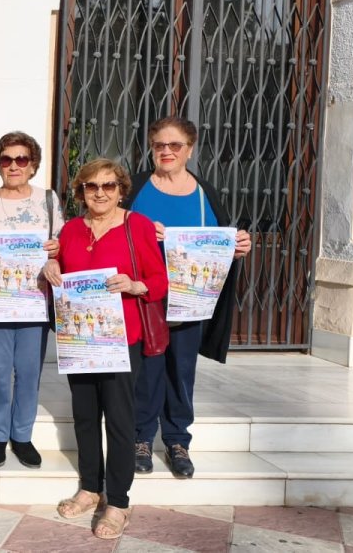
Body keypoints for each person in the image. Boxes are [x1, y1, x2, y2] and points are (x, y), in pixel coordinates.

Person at [43, 158, 168, 540]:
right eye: (91, 186)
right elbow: (62, 269)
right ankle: (89, 487)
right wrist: (50, 264)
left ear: (121, 190)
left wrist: (134, 285)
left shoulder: (137, 226)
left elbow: (160, 281)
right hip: (80, 341)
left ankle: (118, 501)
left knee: (118, 419)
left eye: (109, 186)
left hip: (121, 340)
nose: (100, 193)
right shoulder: (71, 230)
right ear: (80, 192)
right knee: (84, 415)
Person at [125, 116, 252, 479]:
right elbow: (112, 230)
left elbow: (221, 241)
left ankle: (178, 441)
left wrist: (237, 246)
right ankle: (141, 440)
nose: (166, 152)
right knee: (147, 369)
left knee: (181, 369)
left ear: (189, 150)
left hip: (190, 298)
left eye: (174, 146)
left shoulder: (204, 192)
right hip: (145, 297)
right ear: (151, 148)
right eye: (159, 145)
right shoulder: (135, 189)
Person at [0, 132, 62, 469]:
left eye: (21, 159)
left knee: (28, 372)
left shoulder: (49, 201)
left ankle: (21, 435)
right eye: (6, 159)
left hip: (34, 299)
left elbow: (60, 243)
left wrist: (57, 250)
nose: (13, 166)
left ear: (33, 164)